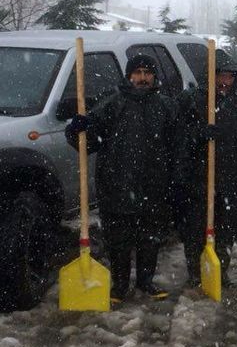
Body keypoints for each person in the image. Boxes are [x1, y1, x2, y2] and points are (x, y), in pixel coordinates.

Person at [65, 54, 182, 302]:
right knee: (119, 239)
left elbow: (177, 145)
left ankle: (145, 281)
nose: (142, 78)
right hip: (117, 183)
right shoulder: (111, 104)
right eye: (137, 72)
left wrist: (175, 178)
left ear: (154, 77)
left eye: (147, 73)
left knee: (149, 238)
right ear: (129, 76)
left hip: (154, 184)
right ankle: (119, 285)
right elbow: (88, 144)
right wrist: (76, 129)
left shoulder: (166, 106)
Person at [178, 49, 237, 289]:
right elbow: (176, 138)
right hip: (198, 178)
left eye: (230, 77)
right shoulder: (191, 100)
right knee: (196, 227)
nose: (225, 82)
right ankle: (196, 272)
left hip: (229, 177)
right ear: (209, 76)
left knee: (227, 226)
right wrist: (198, 134)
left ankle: (220, 270)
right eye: (220, 76)